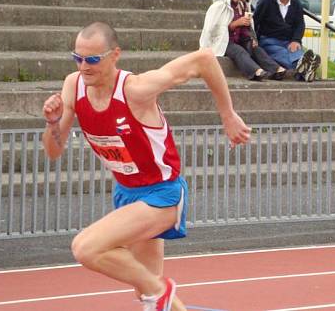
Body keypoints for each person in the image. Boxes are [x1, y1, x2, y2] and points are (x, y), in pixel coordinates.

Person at [42, 22, 251, 311]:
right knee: (149, 300)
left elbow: (204, 58)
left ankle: (159, 290)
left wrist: (228, 116)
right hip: (127, 193)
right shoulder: (73, 87)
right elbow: (54, 151)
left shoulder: (137, 90)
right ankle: (159, 294)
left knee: (85, 248)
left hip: (161, 195)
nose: (83, 67)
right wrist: (52, 123)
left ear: (115, 55)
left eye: (92, 59)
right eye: (77, 58)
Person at [200, 0, 293, 81]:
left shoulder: (243, 4)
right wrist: (235, 24)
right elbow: (212, 30)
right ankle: (255, 72)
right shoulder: (219, 5)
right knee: (239, 51)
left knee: (255, 48)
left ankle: (275, 70)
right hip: (224, 42)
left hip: (239, 40)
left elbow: (247, 28)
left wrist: (251, 38)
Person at [254, 0, 321, 82]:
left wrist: (296, 40)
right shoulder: (265, 2)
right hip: (269, 41)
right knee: (282, 53)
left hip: (289, 41)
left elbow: (300, 24)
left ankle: (303, 69)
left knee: (297, 51)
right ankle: (305, 69)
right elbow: (255, 22)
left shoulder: (296, 3)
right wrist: (254, 40)